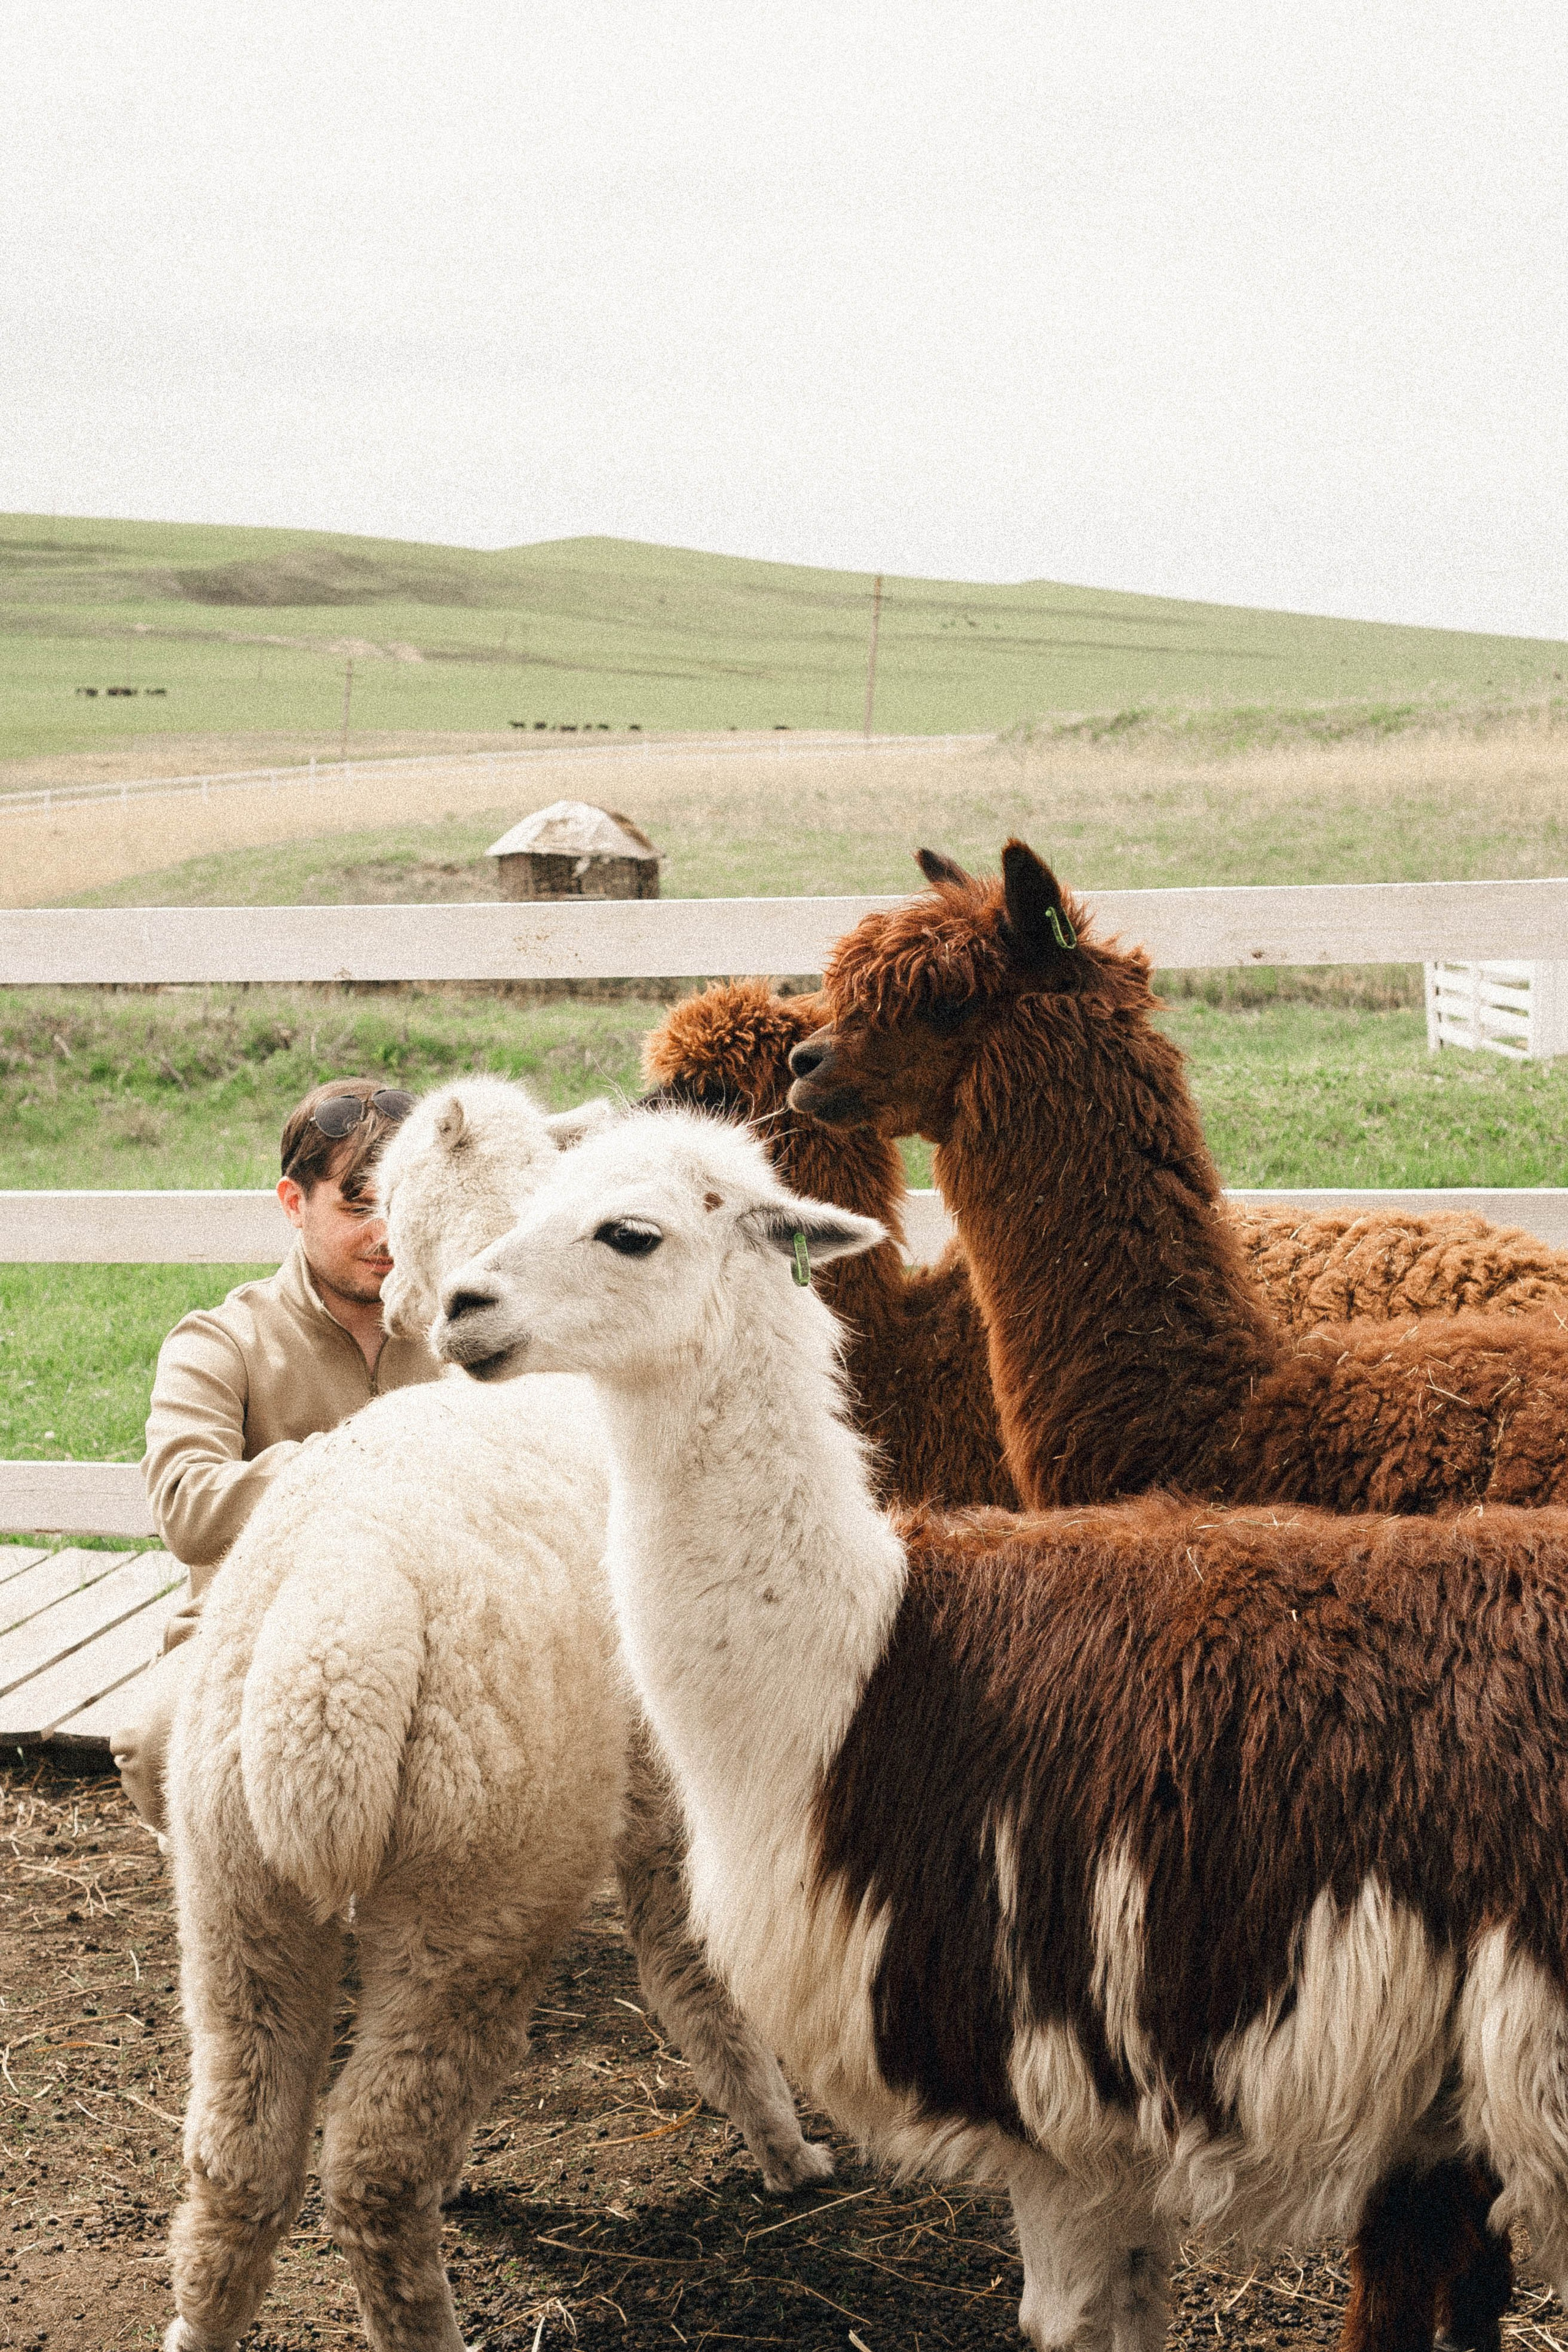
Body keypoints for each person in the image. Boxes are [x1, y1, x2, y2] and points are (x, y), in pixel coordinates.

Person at [111, 1077, 443, 1834]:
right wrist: (372, 1456)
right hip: (254, 1627)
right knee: (157, 1742)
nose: (388, 1234)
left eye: (404, 1203)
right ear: (294, 1204)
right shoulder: (218, 1341)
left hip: (442, 1625)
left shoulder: (469, 1332)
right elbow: (189, 1512)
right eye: (360, 1206)